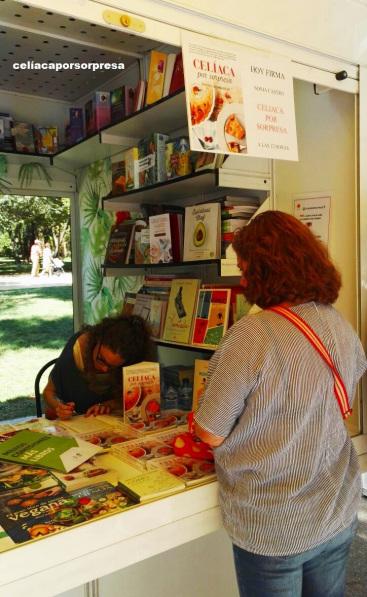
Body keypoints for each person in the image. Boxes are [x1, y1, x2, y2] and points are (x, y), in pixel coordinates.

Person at [194, 210, 367, 597]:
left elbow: (210, 432)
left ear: (267, 269)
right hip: (335, 508)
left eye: (246, 268)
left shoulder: (251, 335)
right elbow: (344, 393)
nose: (242, 280)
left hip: (274, 526)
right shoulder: (338, 324)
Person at [42, 314, 156, 420]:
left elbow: (138, 399)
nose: (104, 369)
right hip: (73, 422)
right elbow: (49, 392)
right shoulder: (76, 350)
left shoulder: (134, 360)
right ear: (96, 340)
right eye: (101, 359)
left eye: (113, 367)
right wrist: (59, 407)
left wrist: (109, 405)